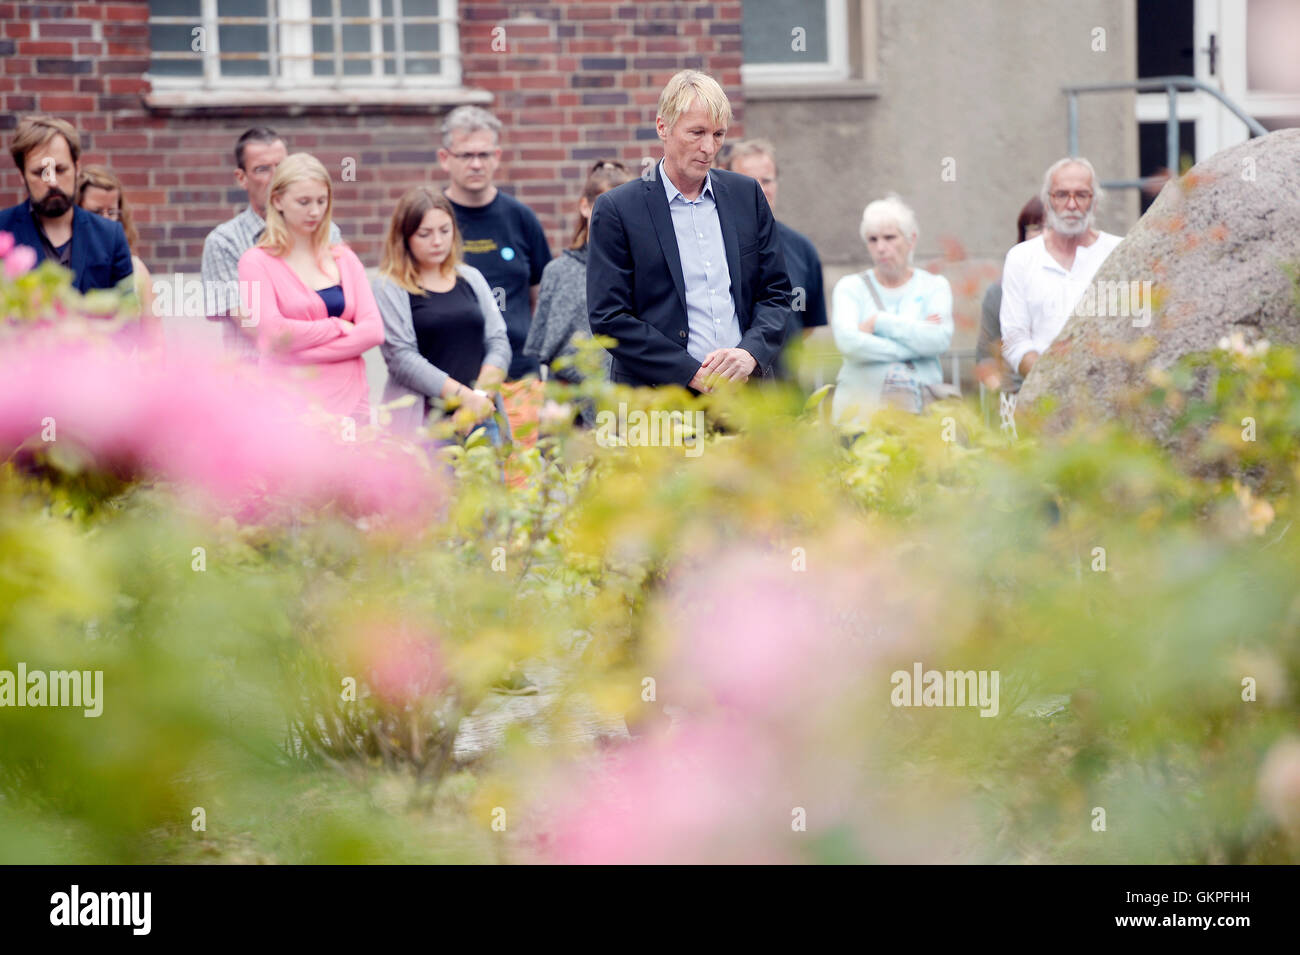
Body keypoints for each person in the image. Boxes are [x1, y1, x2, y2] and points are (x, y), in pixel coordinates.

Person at [586, 70, 792, 391]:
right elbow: (609, 318)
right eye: (696, 133)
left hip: (746, 397)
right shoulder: (618, 209)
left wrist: (750, 353)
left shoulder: (747, 195)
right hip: (660, 401)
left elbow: (776, 294)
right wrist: (690, 373)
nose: (709, 148)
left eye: (718, 134)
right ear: (662, 127)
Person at [437, 106, 552, 445]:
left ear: (497, 156)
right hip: (451, 381)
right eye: (466, 154)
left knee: (522, 481)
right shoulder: (432, 222)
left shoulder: (521, 219)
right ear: (445, 158)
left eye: (484, 154)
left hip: (518, 377)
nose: (476, 163)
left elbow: (538, 300)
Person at [237, 153, 382, 419]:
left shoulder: (344, 257)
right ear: (278, 200)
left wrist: (295, 354)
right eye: (304, 202)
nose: (315, 211)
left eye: (321, 201)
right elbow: (274, 334)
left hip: (352, 399)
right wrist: (337, 326)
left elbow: (373, 332)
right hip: (288, 403)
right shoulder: (254, 262)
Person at [374, 186, 512, 439]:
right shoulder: (389, 286)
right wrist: (464, 398)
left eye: (444, 231)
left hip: (480, 418)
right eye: (425, 234)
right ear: (404, 237)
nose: (437, 241)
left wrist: (476, 402)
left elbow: (498, 341)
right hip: (423, 426)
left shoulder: (470, 277)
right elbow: (402, 359)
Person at [202, 127, 341, 360]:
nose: (276, 178)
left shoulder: (327, 232)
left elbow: (345, 309)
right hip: (255, 383)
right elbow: (253, 325)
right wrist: (334, 331)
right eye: (262, 169)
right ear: (242, 178)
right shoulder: (224, 242)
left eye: (282, 167)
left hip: (324, 379)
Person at [829, 195, 954, 424]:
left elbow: (939, 339)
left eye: (889, 237)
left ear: (911, 240)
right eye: (872, 239)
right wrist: (916, 344)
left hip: (923, 414)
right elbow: (849, 343)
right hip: (859, 417)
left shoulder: (935, 286)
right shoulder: (851, 287)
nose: (881, 247)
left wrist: (879, 322)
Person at [1000, 157, 1123, 380]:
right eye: (1062, 194)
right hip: (1043, 398)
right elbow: (1014, 339)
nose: (1072, 204)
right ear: (1048, 202)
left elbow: (1137, 331)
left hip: (1108, 395)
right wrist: (1050, 382)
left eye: (1082, 194)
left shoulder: (1119, 252)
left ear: (1094, 202)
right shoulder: (1021, 258)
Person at [523, 158, 633, 386]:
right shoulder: (559, 272)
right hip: (571, 406)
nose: (617, 218)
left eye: (625, 209)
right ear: (585, 206)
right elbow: (549, 351)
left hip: (632, 402)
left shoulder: (644, 270)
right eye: (607, 207)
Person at [722, 139, 827, 378]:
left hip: (788, 392)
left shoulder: (802, 248)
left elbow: (806, 326)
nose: (760, 190)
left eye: (767, 180)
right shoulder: (713, 247)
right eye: (750, 182)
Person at [0, 115, 132, 294]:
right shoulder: (3, 230)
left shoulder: (110, 235)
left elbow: (128, 313)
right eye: (40, 172)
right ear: (22, 175)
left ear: (77, 168)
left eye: (60, 170)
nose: (52, 181)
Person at [77, 164, 161, 346]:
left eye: (112, 212)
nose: (106, 220)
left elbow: (154, 341)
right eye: (96, 212)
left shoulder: (136, 268)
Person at [975, 197, 1043, 394]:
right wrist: (1000, 391)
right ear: (1023, 233)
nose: (1044, 234)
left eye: (1050, 227)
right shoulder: (1000, 291)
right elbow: (986, 355)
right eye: (1036, 227)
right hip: (1014, 396)